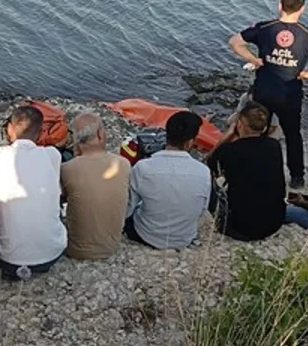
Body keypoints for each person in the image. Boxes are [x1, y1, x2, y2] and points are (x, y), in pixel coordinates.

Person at [229, 0, 308, 189]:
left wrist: (254, 60)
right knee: (292, 135)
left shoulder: (266, 28)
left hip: (263, 90)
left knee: (257, 131)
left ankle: (254, 169)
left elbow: (235, 42)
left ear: (280, 6)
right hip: (290, 93)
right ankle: (297, 178)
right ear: (303, 10)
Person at [0, 105, 67, 279]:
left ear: (10, 128)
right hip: (52, 255)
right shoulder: (52, 155)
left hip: (7, 258)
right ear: (40, 132)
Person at [125, 111, 213, 250]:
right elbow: (201, 210)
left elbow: (129, 208)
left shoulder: (143, 167)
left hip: (146, 235)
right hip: (184, 238)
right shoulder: (203, 172)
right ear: (190, 142)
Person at [206, 102, 285, 241]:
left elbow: (207, 166)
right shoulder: (274, 146)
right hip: (274, 223)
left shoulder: (229, 150)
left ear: (239, 125)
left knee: (208, 182)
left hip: (238, 227)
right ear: (265, 127)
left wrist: (226, 137)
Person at [60, 113, 132, 260]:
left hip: (75, 250)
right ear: (101, 134)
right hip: (111, 247)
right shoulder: (123, 164)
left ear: (74, 139)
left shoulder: (66, 168)